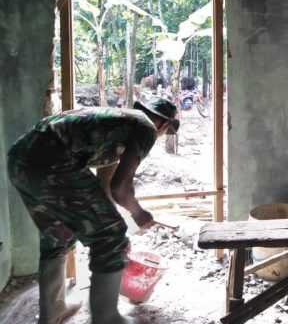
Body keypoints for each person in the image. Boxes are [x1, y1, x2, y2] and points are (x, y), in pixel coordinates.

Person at [8, 97, 180, 324]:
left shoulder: (116, 123)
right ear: (164, 125)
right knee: (110, 236)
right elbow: (120, 187)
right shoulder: (146, 128)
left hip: (21, 158)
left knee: (59, 232)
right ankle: (107, 318)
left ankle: (52, 310)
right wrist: (138, 215)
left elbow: (105, 185)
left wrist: (111, 221)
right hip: (55, 161)